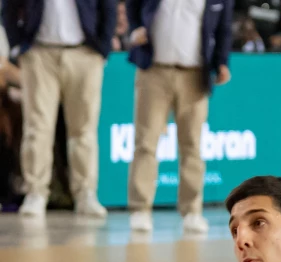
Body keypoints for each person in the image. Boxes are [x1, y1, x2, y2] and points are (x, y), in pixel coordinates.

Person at [126, 0, 234, 236]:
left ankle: (192, 211)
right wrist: (135, 29)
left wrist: (222, 62)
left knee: (192, 146)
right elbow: (133, 8)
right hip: (153, 70)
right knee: (145, 142)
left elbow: (223, 29)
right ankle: (140, 209)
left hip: (195, 74)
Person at [2, 0, 116, 220]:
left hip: (84, 51)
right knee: (37, 127)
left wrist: (102, 47)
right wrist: (17, 45)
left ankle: (85, 193)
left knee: (84, 128)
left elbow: (108, 6)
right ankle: (36, 192)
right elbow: (9, 6)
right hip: (39, 52)